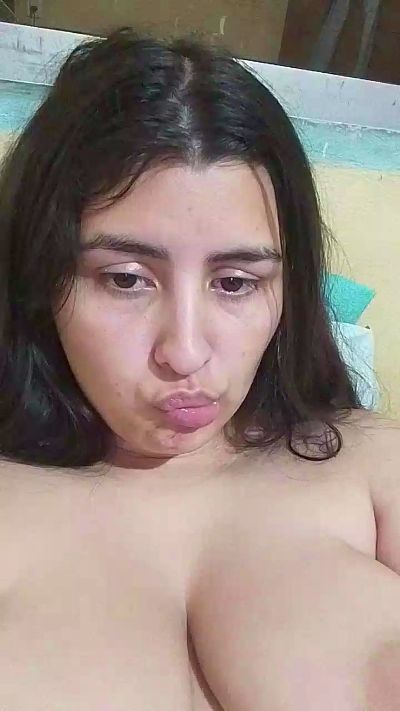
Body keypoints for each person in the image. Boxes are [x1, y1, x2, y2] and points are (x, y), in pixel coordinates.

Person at [0, 26, 399, 711]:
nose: (184, 352)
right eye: (126, 279)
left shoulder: (372, 464)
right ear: (42, 278)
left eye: (236, 282)